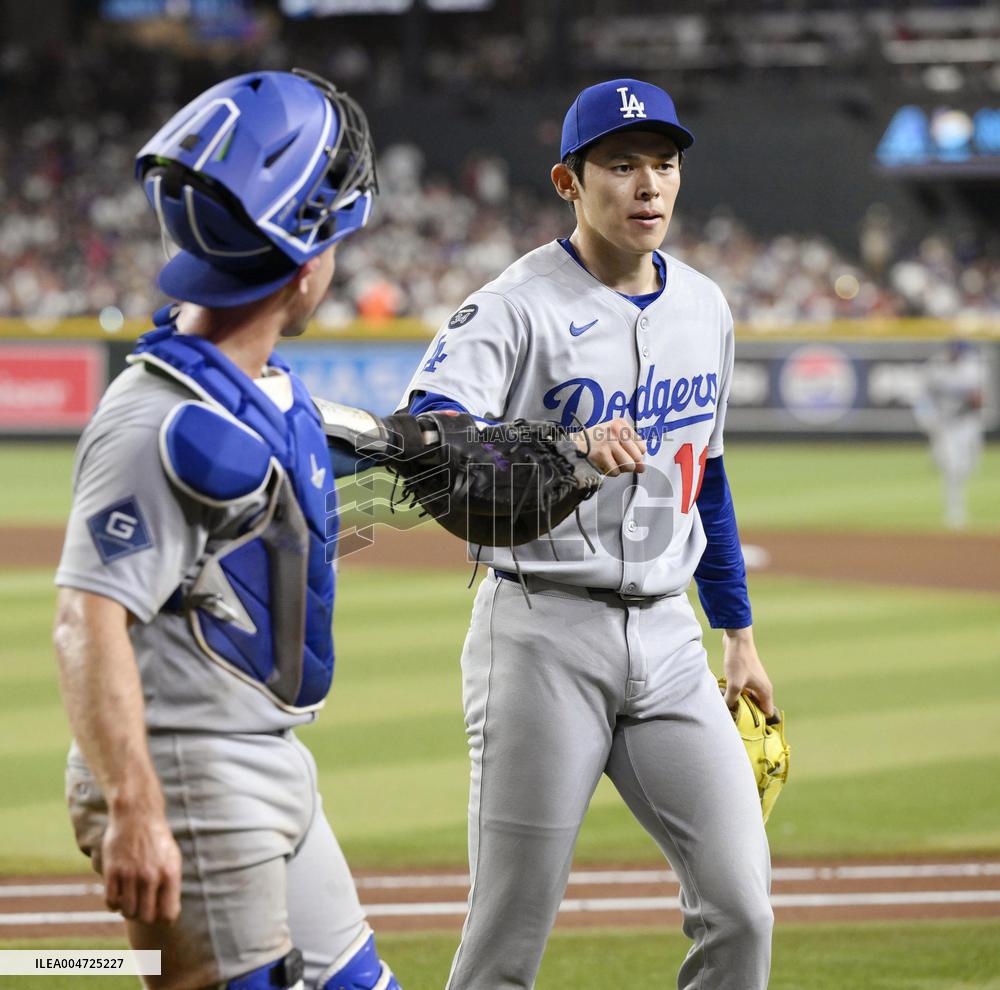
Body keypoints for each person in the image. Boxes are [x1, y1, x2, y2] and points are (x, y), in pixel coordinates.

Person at [400, 78, 776, 989]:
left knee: (743, 912)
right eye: (621, 165)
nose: (648, 185)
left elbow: (706, 480)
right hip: (540, 633)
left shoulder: (706, 309)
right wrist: (559, 453)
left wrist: (739, 636)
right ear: (569, 182)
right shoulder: (512, 306)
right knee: (507, 940)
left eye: (664, 164)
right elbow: (425, 443)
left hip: (671, 638)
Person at [52, 69, 400, 990]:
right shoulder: (160, 421)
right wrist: (133, 805)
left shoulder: (262, 391)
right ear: (307, 262)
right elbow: (85, 618)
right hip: (185, 773)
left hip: (265, 762)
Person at [914, 339, 986, 529]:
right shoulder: (934, 368)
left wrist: (965, 405)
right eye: (950, 352)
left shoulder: (972, 369)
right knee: (953, 469)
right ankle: (955, 511)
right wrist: (929, 419)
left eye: (956, 353)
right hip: (946, 425)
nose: (953, 355)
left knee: (968, 466)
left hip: (967, 423)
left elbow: (978, 401)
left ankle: (955, 506)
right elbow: (923, 396)